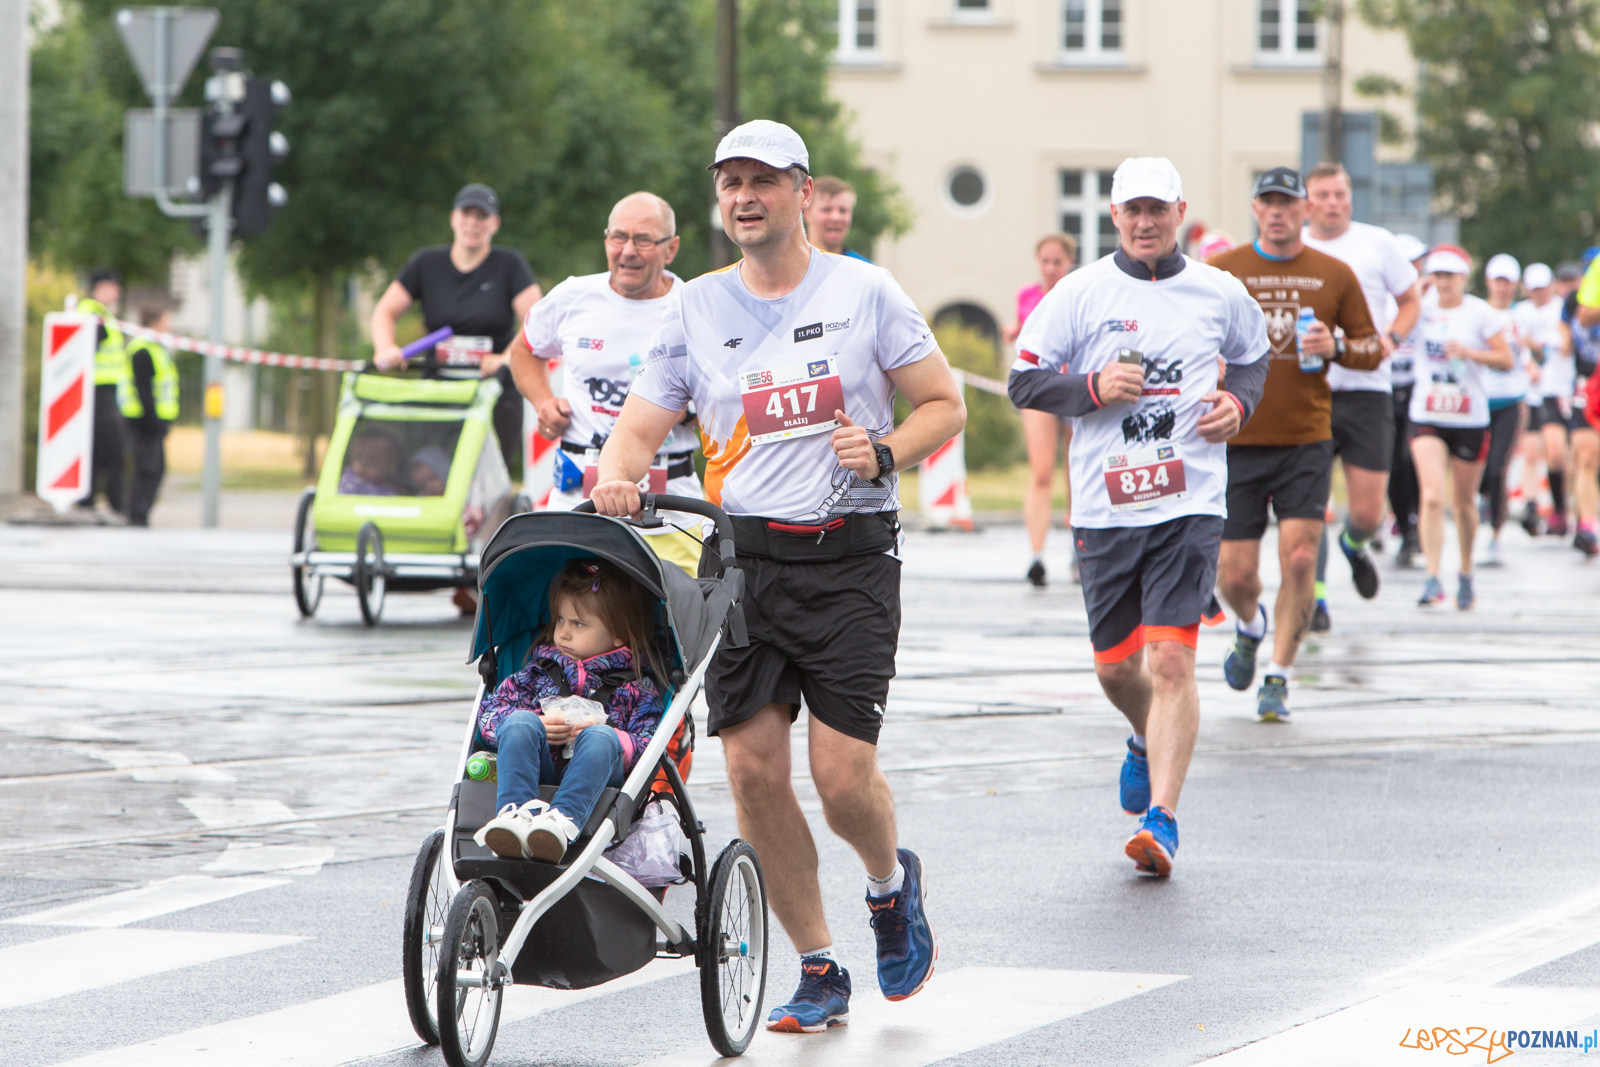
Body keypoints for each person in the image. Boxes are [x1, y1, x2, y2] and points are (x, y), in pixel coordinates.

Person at [593, 119, 963, 1032]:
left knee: (841, 777)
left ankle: (889, 883)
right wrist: (617, 475)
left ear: (803, 192)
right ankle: (819, 963)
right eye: (731, 183)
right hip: (742, 564)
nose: (745, 197)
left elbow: (945, 404)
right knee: (753, 771)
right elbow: (637, 427)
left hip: (850, 558)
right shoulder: (697, 307)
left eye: (762, 180)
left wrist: (884, 451)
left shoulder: (865, 291)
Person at [1009, 157, 1269, 875]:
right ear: (1115, 216)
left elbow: (1253, 358)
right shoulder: (1079, 291)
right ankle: (1142, 735)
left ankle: (1163, 819)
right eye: (1134, 210)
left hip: (1190, 500)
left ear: (1180, 211)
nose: (1146, 222)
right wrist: (1093, 387)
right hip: (1106, 505)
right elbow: (1023, 380)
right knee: (1118, 669)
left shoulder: (1218, 290)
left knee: (1172, 659)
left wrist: (1237, 403)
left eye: (1159, 209)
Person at [1209, 167, 1382, 723]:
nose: (1278, 211)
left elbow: (1372, 348)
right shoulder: (1223, 271)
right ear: (1255, 209)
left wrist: (1336, 346)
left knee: (1302, 556)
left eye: (1288, 202)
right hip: (1238, 437)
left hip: (1306, 437)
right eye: (1269, 202)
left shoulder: (1333, 273)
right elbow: (1187, 340)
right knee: (1234, 574)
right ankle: (1249, 626)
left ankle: (1279, 676)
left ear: (1305, 210)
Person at [507, 191, 706, 575]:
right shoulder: (573, 295)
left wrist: (691, 410)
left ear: (671, 248)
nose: (627, 251)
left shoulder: (693, 306)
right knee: (566, 606)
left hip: (667, 505)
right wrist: (544, 402)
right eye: (618, 237)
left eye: (643, 240)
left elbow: (725, 389)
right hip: (578, 500)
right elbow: (523, 349)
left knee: (677, 610)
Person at [473, 558, 667, 861]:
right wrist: (537, 723)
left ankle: (560, 824)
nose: (563, 633)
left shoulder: (636, 689)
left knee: (602, 737)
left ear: (618, 632)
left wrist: (613, 737)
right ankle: (513, 815)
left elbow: (651, 744)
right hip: (539, 773)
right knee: (519, 721)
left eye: (578, 624)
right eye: (560, 620)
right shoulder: (537, 673)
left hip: (600, 784)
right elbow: (488, 714)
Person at [1300, 164, 1422, 631]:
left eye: (1340, 194)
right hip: (1311, 392)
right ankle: (1316, 600)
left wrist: (1391, 339)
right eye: (1323, 195)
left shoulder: (1377, 243)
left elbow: (1411, 299)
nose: (1333, 203)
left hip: (1367, 390)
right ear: (1306, 203)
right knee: (1310, 508)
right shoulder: (1295, 246)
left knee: (1369, 513)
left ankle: (1354, 546)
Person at [371, 184, 542, 475]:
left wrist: (505, 359)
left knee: (487, 478)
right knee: (431, 475)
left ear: (494, 224)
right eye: (466, 214)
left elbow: (537, 320)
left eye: (482, 216)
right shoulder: (426, 263)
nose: (473, 222)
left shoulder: (510, 264)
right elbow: (384, 311)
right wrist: (385, 347)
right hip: (439, 393)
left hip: (494, 392)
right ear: (453, 218)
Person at [1408, 249, 1513, 608]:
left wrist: (1470, 353)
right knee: (1432, 496)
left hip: (1469, 417)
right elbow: (1391, 322)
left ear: (1464, 278)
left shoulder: (1480, 313)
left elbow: (1506, 359)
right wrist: (1414, 292)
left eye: (1450, 276)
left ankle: (1466, 571)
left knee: (1464, 503)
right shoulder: (1420, 309)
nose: (1443, 282)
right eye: (1437, 275)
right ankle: (1432, 576)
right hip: (1427, 414)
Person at [1004, 233, 1077, 586]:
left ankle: (1079, 547)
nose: (1050, 268)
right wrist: (1012, 332)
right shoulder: (1027, 295)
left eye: (1057, 262)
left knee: (1077, 470)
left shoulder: (1077, 293)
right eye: (1045, 261)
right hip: (1039, 387)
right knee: (1042, 470)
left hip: (1075, 386)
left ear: (1069, 263)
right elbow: (1026, 330)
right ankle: (1037, 555)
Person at [1477, 256, 1531, 565]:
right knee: (1479, 470)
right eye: (1497, 281)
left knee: (1498, 468)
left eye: (1507, 282)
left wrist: (1534, 355)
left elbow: (1537, 351)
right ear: (1488, 282)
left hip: (1510, 401)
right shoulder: (1477, 312)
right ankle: (1483, 501)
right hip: (1478, 400)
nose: (1502, 287)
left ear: (1515, 285)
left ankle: (1496, 535)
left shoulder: (1522, 315)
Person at [1513, 261, 1572, 537]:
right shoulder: (1521, 312)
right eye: (1534, 288)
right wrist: (1529, 362)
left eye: (1543, 287)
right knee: (1531, 451)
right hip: (1530, 392)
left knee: (1556, 453)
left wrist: (1535, 348)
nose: (1539, 293)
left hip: (1557, 389)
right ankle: (1531, 507)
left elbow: (1561, 348)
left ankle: (1561, 508)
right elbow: (1519, 349)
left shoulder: (1561, 309)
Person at [1388, 234, 1431, 566]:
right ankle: (1406, 529)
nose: (1417, 268)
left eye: (1419, 262)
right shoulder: (1380, 298)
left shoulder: (1429, 298)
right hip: (1385, 389)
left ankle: (1418, 524)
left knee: (1412, 459)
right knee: (1391, 465)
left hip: (1419, 389)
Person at [118, 307, 180, 527]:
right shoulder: (143, 350)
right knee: (148, 469)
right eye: (166, 320)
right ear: (153, 323)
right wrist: (153, 422)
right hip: (143, 421)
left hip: (152, 421)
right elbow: (144, 390)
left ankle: (139, 514)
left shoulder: (155, 348)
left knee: (156, 469)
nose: (169, 326)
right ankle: (136, 514)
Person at [76, 268, 128, 516]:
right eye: (114, 286)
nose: (118, 291)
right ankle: (115, 504)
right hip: (97, 390)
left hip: (104, 390)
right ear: (100, 287)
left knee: (97, 447)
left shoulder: (103, 314)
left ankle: (88, 500)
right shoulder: (91, 312)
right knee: (115, 447)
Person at [1568, 252, 1600, 556]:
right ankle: (1589, 527)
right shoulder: (1572, 301)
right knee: (1587, 456)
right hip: (1589, 382)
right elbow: (1583, 316)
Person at [803, 175, 870, 261]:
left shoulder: (863, 267)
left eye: (843, 210)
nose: (836, 217)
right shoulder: (789, 264)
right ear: (807, 213)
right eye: (827, 209)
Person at [338, 428, 403, 496]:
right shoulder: (350, 483)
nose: (363, 463)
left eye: (371, 458)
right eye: (358, 457)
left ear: (391, 464)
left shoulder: (391, 487)